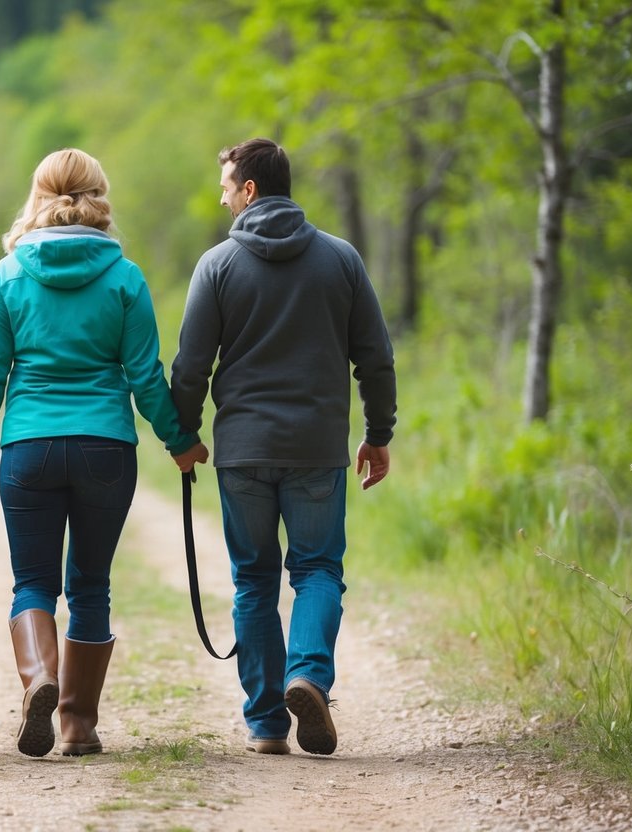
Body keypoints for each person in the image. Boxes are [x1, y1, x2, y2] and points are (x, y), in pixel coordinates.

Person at [0, 148, 209, 758]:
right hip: (105, 446)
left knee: (33, 583)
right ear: (99, 196)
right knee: (91, 585)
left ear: (38, 196)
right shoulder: (124, 275)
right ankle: (76, 726)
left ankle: (39, 678)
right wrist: (180, 441)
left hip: (28, 449)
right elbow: (146, 375)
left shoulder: (10, 273)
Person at [170, 138, 396, 756]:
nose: (221, 197)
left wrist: (183, 434)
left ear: (249, 190)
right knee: (318, 569)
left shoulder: (216, 265)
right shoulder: (342, 260)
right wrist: (379, 433)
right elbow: (375, 358)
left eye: (225, 186)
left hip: (242, 450)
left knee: (253, 582)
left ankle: (267, 724)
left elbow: (191, 366)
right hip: (318, 448)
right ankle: (308, 676)